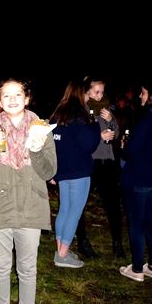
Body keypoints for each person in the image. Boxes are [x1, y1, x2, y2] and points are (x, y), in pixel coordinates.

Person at [0, 78, 57, 304]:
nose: (12, 100)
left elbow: (49, 171)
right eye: (6, 96)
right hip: (0, 207)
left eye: (18, 95)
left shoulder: (42, 129)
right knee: (0, 268)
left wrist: (36, 148)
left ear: (27, 98)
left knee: (27, 269)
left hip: (31, 207)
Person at [119, 79, 152, 282]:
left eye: (143, 93)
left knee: (137, 223)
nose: (140, 96)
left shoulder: (148, 119)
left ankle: (136, 269)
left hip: (139, 178)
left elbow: (132, 151)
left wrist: (124, 147)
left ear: (151, 95)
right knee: (150, 221)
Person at [49, 80, 101, 268]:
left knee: (65, 209)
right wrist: (95, 126)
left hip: (62, 170)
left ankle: (60, 249)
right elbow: (89, 144)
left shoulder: (57, 113)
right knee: (74, 212)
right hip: (78, 170)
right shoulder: (80, 114)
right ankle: (62, 256)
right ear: (81, 93)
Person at [76, 76, 125, 259]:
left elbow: (116, 133)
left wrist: (112, 121)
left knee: (113, 204)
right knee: (81, 204)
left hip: (108, 162)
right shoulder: (82, 111)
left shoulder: (106, 108)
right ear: (87, 91)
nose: (100, 95)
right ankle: (82, 241)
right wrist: (100, 135)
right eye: (96, 91)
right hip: (90, 161)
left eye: (102, 92)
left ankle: (117, 243)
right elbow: (82, 137)